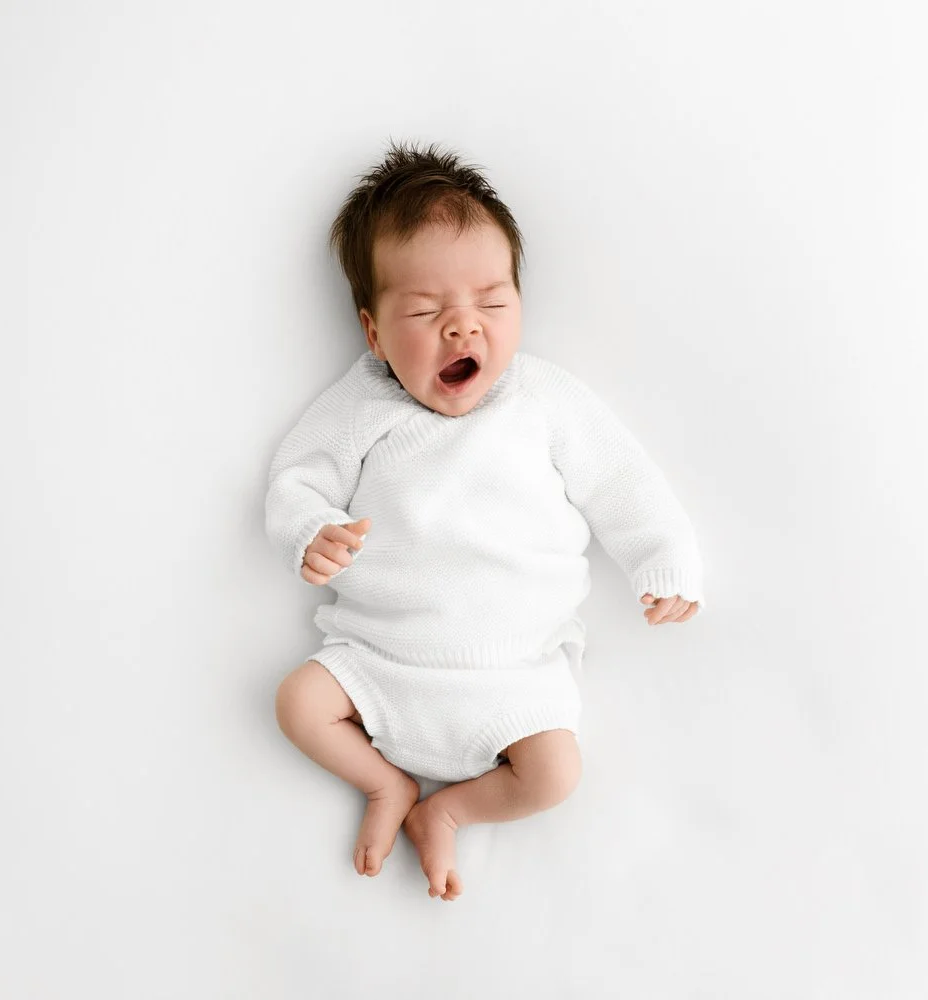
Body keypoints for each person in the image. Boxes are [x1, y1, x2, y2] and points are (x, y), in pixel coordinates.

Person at [267, 139, 705, 901]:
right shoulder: (364, 404)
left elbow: (621, 479)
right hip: (380, 659)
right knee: (298, 703)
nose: (464, 329)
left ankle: (450, 812)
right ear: (374, 333)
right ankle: (386, 786)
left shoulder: (542, 399)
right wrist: (310, 529)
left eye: (492, 303)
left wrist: (662, 560)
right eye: (428, 311)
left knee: (555, 773)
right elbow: (299, 475)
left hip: (515, 672)